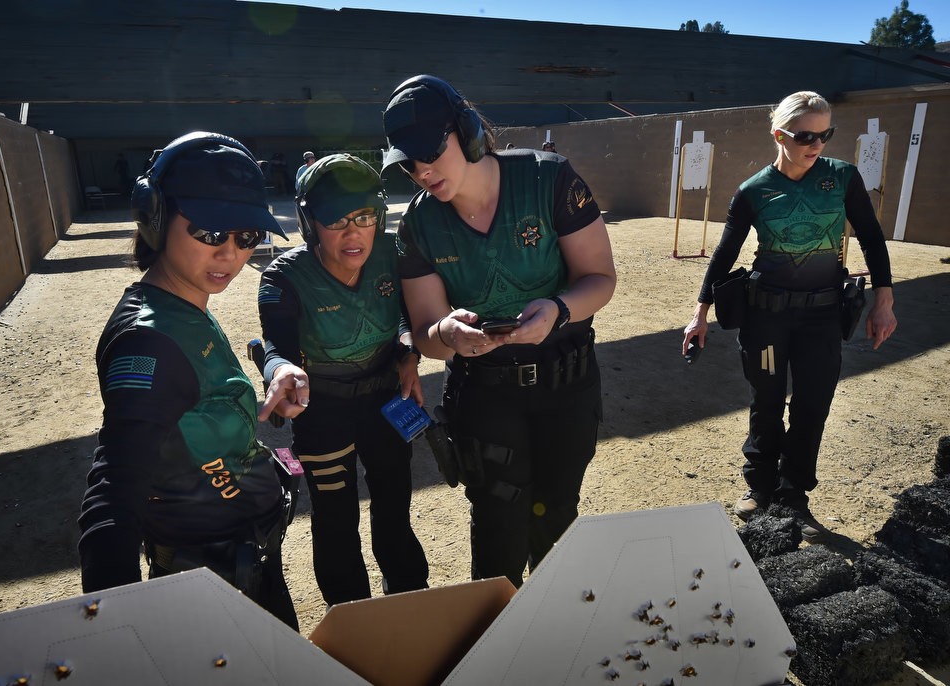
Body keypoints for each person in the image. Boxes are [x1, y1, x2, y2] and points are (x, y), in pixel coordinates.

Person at [381, 75, 616, 587]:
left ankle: (557, 631)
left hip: (567, 384)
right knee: (497, 523)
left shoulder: (548, 179)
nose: (421, 171)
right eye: (407, 161)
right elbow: (424, 330)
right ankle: (496, 642)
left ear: (465, 132)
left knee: (555, 515)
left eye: (429, 152)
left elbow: (600, 279)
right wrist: (448, 333)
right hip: (485, 393)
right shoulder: (419, 225)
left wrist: (557, 309)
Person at [78, 131, 299, 630]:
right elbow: (113, 494)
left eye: (246, 236)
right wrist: (110, 630)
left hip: (240, 563)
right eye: (209, 232)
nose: (231, 254)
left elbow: (187, 412)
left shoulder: (183, 306)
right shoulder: (148, 341)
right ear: (155, 217)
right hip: (210, 586)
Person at [681, 91, 897, 541]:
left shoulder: (843, 178)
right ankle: (760, 488)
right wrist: (699, 315)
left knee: (813, 405)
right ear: (779, 135)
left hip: (821, 316)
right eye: (805, 136)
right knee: (767, 399)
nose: (816, 144)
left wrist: (884, 300)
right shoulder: (754, 191)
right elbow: (724, 256)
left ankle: (794, 495)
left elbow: (872, 240)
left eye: (825, 134)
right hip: (767, 317)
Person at [256, 153, 429, 606]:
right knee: (335, 517)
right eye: (335, 220)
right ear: (310, 222)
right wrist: (282, 371)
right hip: (324, 411)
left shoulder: (394, 255)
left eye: (365, 216)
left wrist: (409, 353)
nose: (353, 232)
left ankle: (410, 595)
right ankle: (350, 610)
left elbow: (413, 316)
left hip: (385, 400)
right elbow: (277, 348)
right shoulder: (284, 277)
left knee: (394, 503)